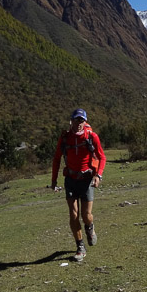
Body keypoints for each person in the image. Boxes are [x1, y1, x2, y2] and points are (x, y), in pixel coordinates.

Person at [50, 108, 106, 262]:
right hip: (71, 179)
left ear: (85, 121)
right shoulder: (65, 138)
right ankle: (80, 247)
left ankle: (90, 227)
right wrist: (53, 181)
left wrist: (98, 175)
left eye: (82, 120)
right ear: (71, 120)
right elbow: (56, 159)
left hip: (87, 179)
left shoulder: (92, 137)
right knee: (73, 214)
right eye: (77, 120)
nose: (79, 123)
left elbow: (102, 157)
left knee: (86, 215)